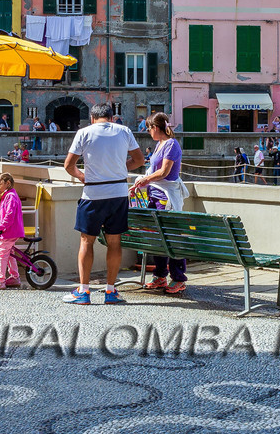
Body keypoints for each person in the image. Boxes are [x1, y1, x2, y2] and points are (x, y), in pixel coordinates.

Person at [62, 103, 145, 304]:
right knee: (115, 242)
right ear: (111, 117)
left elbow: (68, 166)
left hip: (93, 193)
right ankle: (110, 291)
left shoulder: (84, 133)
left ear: (92, 118)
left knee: (86, 241)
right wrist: (118, 168)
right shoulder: (124, 131)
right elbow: (139, 160)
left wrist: (83, 176)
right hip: (118, 193)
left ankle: (84, 291)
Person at [131, 113, 187, 294]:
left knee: (171, 236)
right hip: (154, 195)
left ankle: (178, 277)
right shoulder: (159, 145)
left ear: (156, 127)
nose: (148, 131)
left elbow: (164, 172)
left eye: (148, 128)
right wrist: (143, 182)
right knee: (157, 237)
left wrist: (144, 180)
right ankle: (160, 275)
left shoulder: (171, 144)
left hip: (165, 197)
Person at [0, 172, 25, 289]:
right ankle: (14, 277)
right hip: (12, 230)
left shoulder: (10, 196)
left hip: (9, 231)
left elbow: (9, 214)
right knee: (9, 254)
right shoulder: (9, 195)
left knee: (2, 254)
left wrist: (1, 227)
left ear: (7, 183)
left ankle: (0, 280)